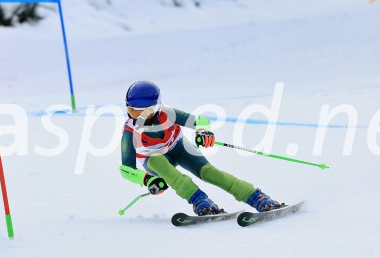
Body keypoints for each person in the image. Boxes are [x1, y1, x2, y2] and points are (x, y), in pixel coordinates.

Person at [120, 80, 284, 216]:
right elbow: (125, 169)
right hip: (154, 160)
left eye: (145, 112)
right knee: (157, 161)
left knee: (209, 173)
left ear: (156, 108)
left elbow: (199, 120)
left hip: (178, 147)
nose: (139, 117)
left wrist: (203, 131)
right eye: (133, 111)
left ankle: (256, 197)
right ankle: (200, 201)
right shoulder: (130, 131)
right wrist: (147, 180)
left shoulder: (167, 113)